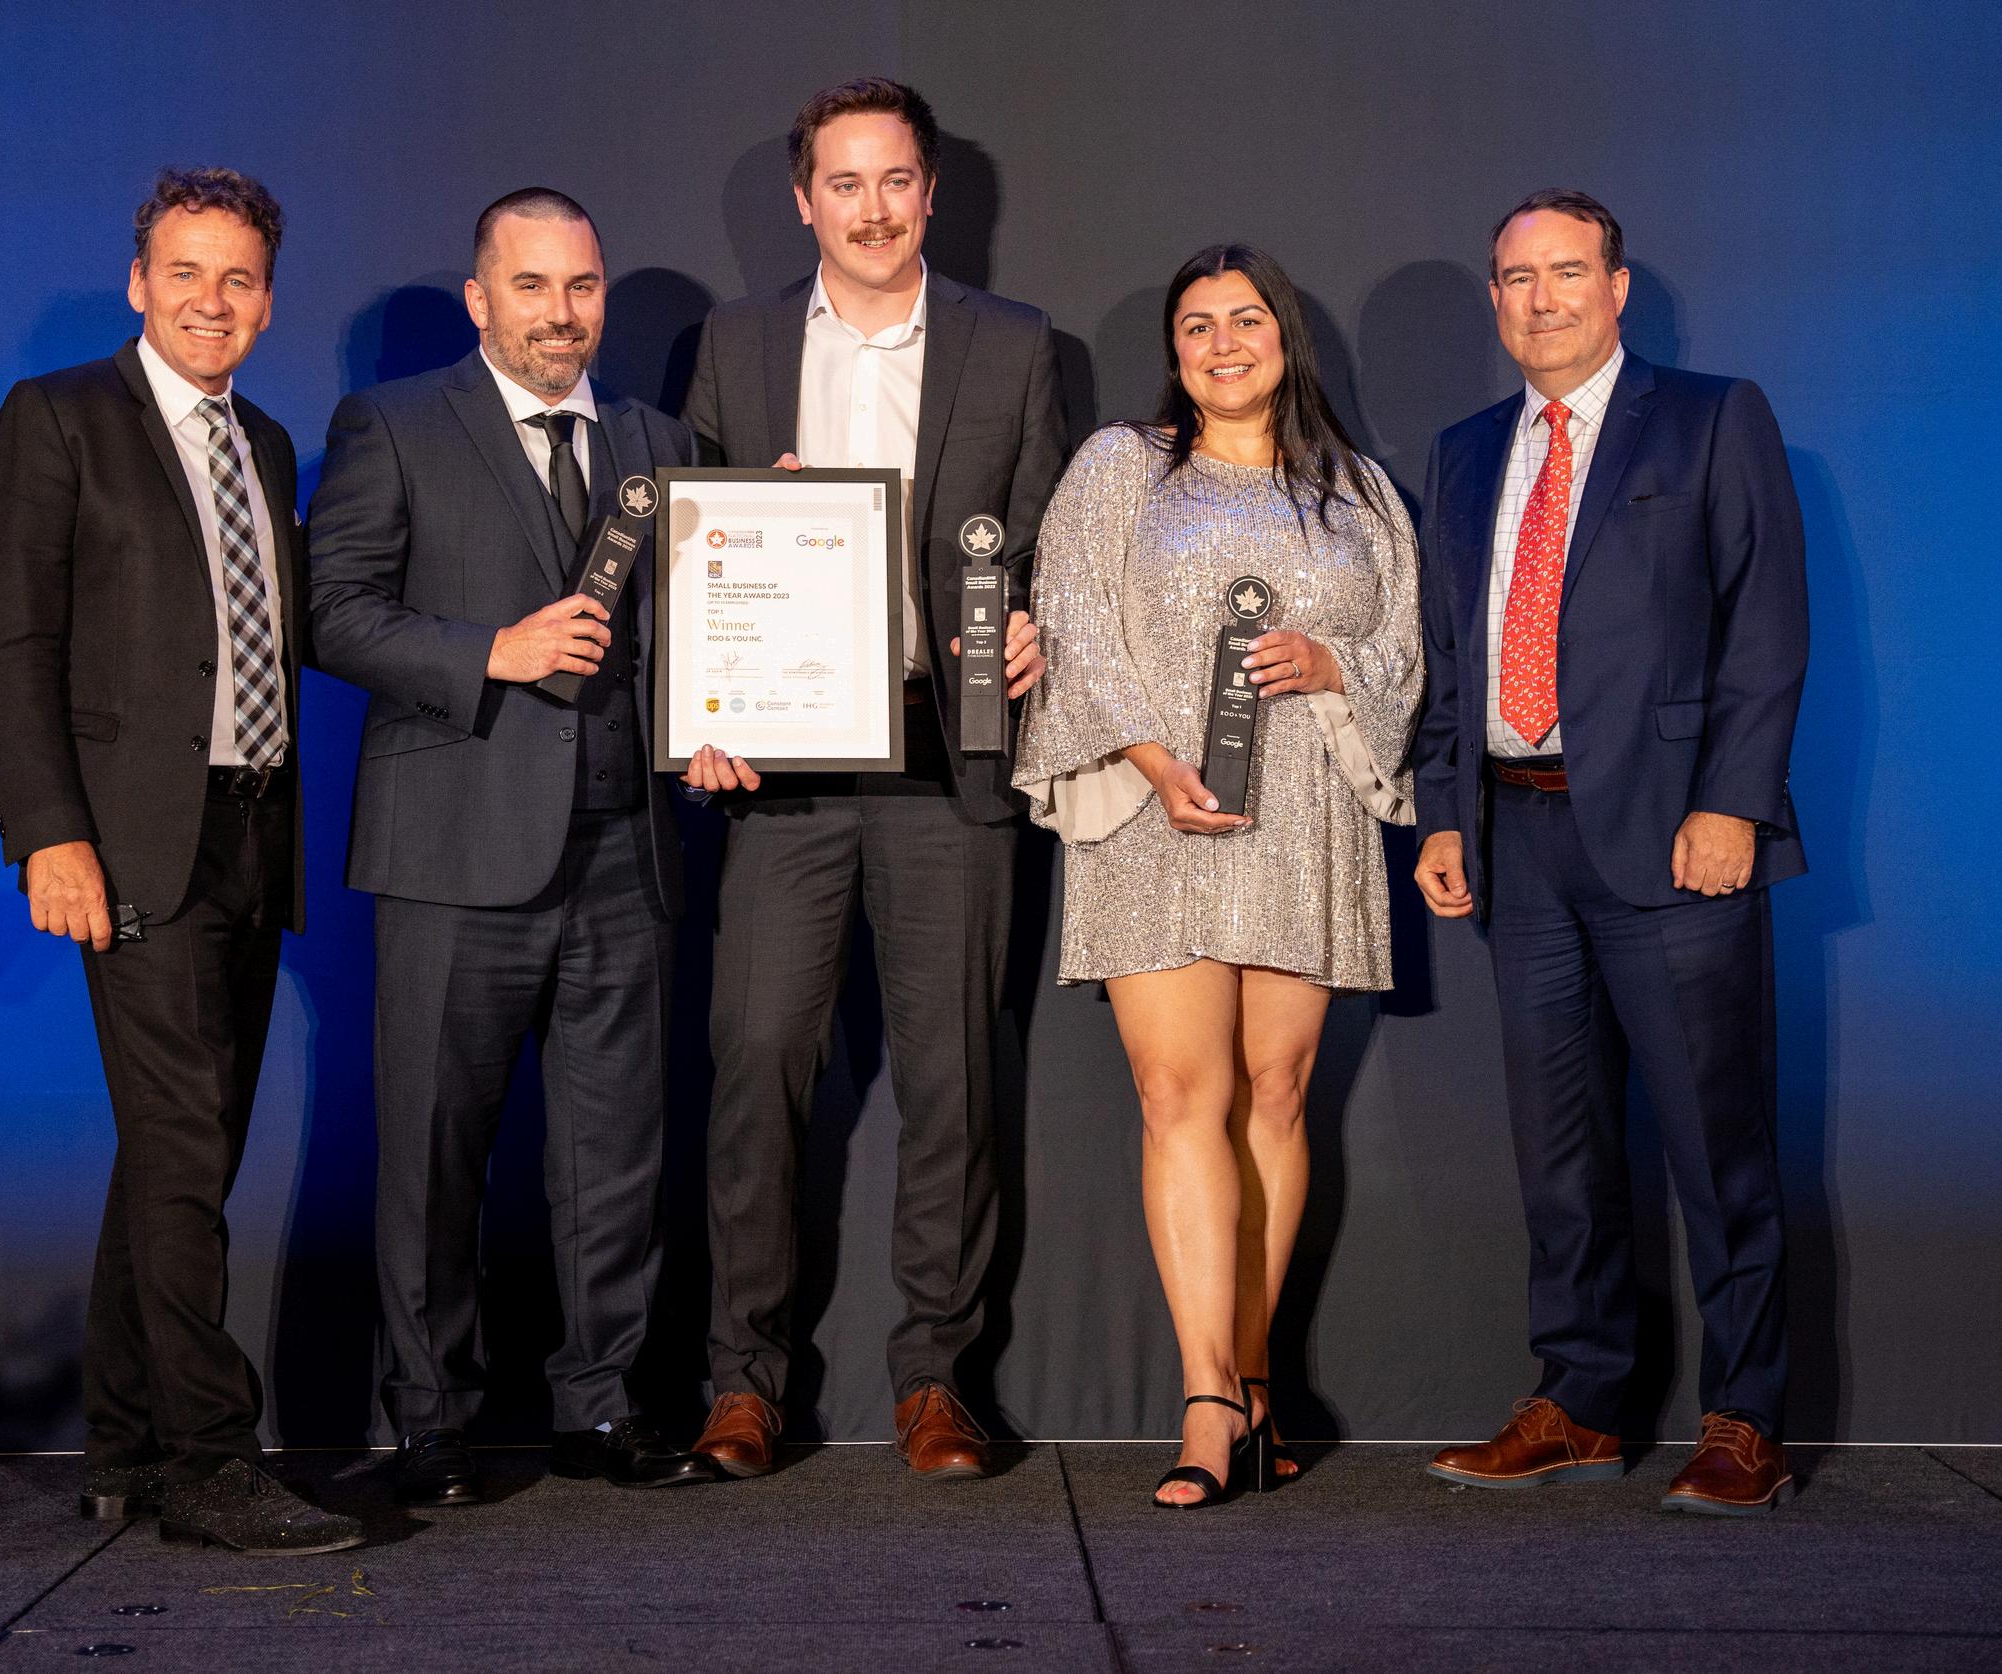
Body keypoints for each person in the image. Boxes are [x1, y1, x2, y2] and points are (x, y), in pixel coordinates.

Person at [678, 76, 1067, 1480]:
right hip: (780, 769)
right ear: (805, 201)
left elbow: (1046, 537)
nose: (873, 208)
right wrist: (701, 705)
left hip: (948, 759)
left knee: (953, 1080)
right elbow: (688, 556)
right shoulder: (732, 344)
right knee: (756, 1066)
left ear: (931, 191)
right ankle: (743, 1381)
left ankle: (936, 1379)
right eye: (844, 183)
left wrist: (1040, 626)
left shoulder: (1014, 345)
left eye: (896, 179)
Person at [0, 167, 360, 1554]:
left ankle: (124, 1442)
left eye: (238, 278)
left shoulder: (267, 441)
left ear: (268, 300)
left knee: (179, 1149)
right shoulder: (59, 417)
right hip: (129, 835)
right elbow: (11, 646)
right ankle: (209, 1461)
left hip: (253, 830)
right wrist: (50, 834)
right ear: (139, 282)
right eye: (185, 272)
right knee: (187, 1147)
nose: (212, 300)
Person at [307, 189, 709, 1500]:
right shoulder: (393, 423)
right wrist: (493, 650)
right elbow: (332, 611)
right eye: (531, 286)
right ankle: (432, 1419)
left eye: (581, 286)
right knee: (432, 1151)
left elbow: (697, 636)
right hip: (451, 847)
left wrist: (729, 709)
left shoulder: (657, 441)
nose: (560, 312)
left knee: (616, 1153)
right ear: (481, 299)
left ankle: (601, 1407)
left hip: (623, 849)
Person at [1411, 189, 1807, 1515]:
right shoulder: (1467, 451)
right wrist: (1444, 809)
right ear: (1495, 298)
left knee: (1716, 1143)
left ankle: (1744, 1417)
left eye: (1567, 271)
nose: (1542, 298)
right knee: (1560, 1152)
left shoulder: (1710, 418)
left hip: (1676, 838)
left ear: (1617, 287)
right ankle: (1579, 1401)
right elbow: (1451, 653)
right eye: (1516, 277)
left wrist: (1733, 803)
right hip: (1518, 840)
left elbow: (1765, 625)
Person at [1014, 244, 1421, 1507]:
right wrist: (1149, 752)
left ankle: (1251, 1380)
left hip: (1306, 812)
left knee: (1278, 1094)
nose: (1223, 342)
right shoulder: (1121, 466)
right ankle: (1203, 1399)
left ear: (1286, 338)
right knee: (1176, 1090)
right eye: (1197, 325)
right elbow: (1071, 618)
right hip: (1159, 813)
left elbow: (1406, 649)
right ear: (1175, 352)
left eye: (1247, 319)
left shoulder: (1359, 489)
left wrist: (1334, 662)